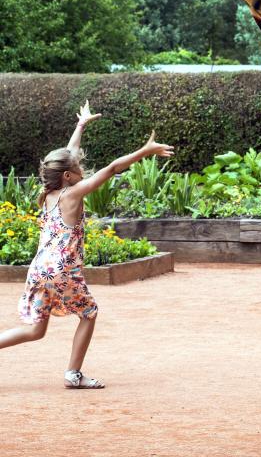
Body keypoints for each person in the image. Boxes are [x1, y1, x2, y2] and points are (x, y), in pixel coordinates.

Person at [0, 101, 174, 389]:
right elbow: (112, 168)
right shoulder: (73, 193)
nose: (81, 166)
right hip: (61, 268)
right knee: (89, 313)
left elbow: (68, 156)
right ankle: (73, 374)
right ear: (68, 176)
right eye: (78, 166)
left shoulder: (50, 194)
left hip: (39, 267)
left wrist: (80, 126)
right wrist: (145, 150)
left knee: (35, 331)